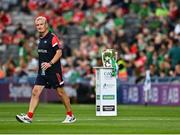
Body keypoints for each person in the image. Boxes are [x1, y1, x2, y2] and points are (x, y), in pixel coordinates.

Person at [16, 16, 76, 124]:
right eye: (37, 25)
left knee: (61, 93)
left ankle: (70, 115)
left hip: (53, 70)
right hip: (42, 71)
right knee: (35, 92)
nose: (39, 26)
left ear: (46, 25)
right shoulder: (41, 39)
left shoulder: (52, 37)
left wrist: (50, 63)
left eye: (41, 24)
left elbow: (59, 52)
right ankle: (29, 116)